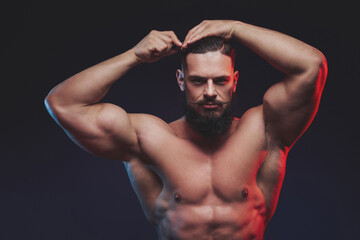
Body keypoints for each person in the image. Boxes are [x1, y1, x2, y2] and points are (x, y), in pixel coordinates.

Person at [45, 20, 327, 239]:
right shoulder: (149, 139)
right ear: (181, 80)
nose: (209, 92)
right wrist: (134, 55)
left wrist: (237, 29)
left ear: (235, 81)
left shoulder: (263, 130)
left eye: (220, 80)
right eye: (197, 81)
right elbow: (63, 104)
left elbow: (312, 67)